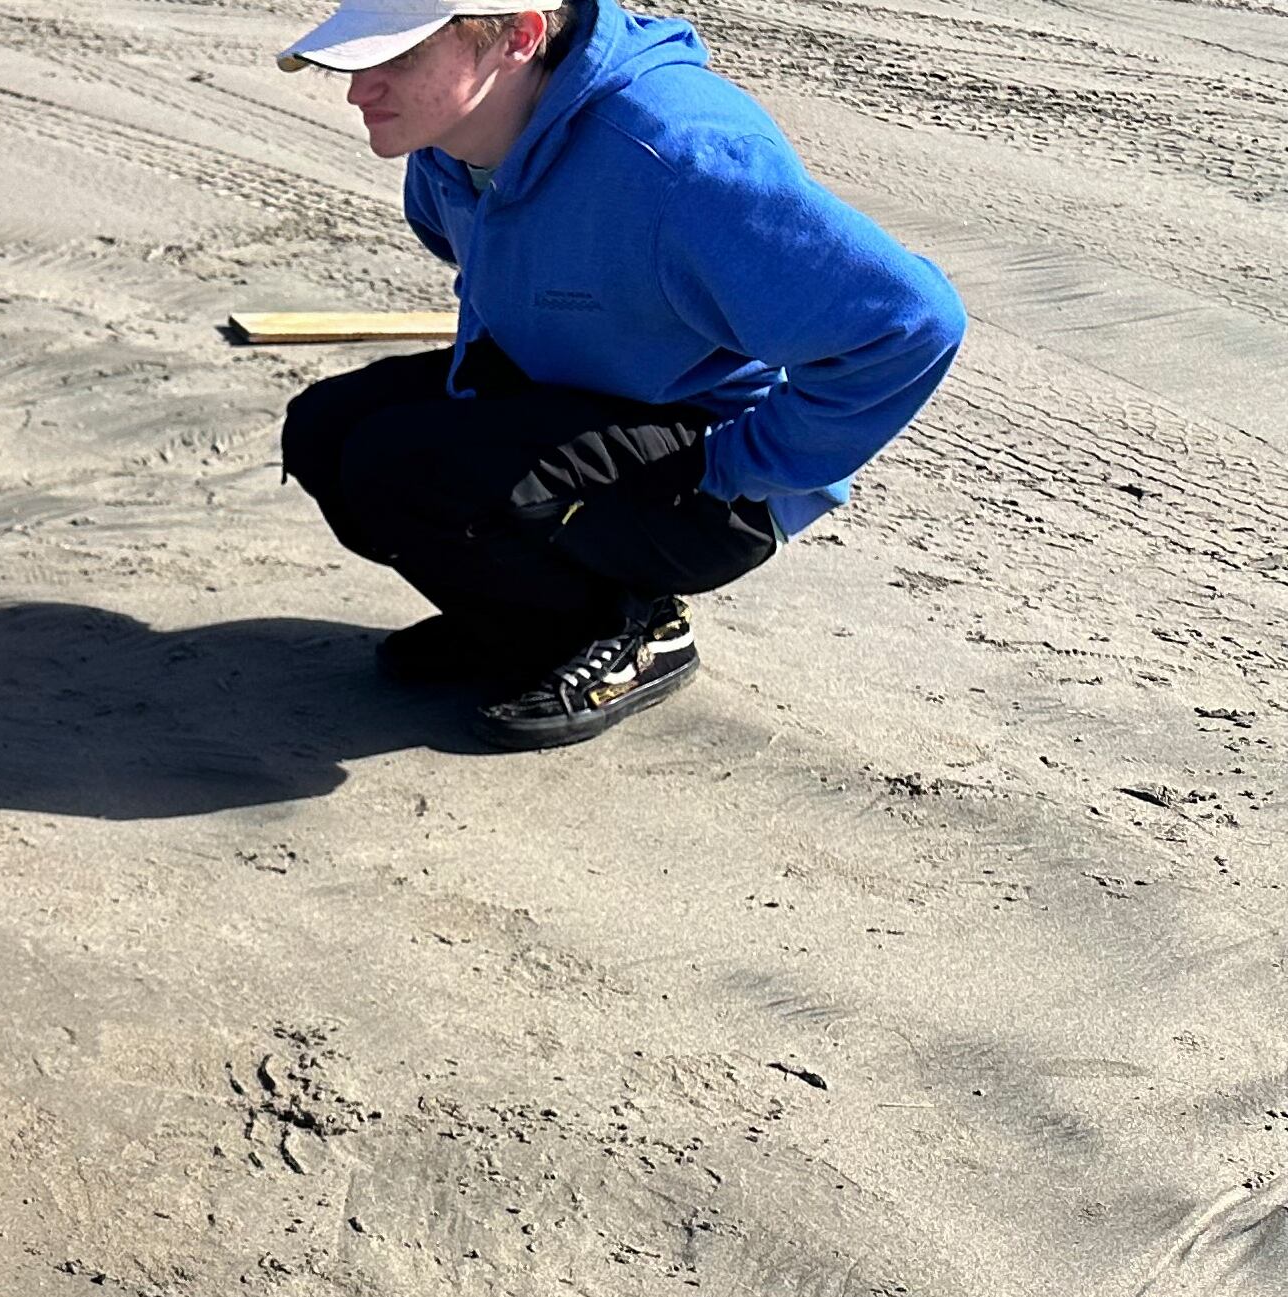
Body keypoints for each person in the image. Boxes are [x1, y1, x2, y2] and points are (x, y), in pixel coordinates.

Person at [272, 1, 965, 748]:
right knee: (325, 432)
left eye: (398, 58)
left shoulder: (677, 159)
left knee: (401, 467)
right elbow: (459, 242)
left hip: (710, 464)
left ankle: (630, 631)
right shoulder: (449, 137)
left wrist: (740, 468)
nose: (357, 90)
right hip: (580, 392)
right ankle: (515, 628)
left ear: (520, 36)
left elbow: (910, 324)